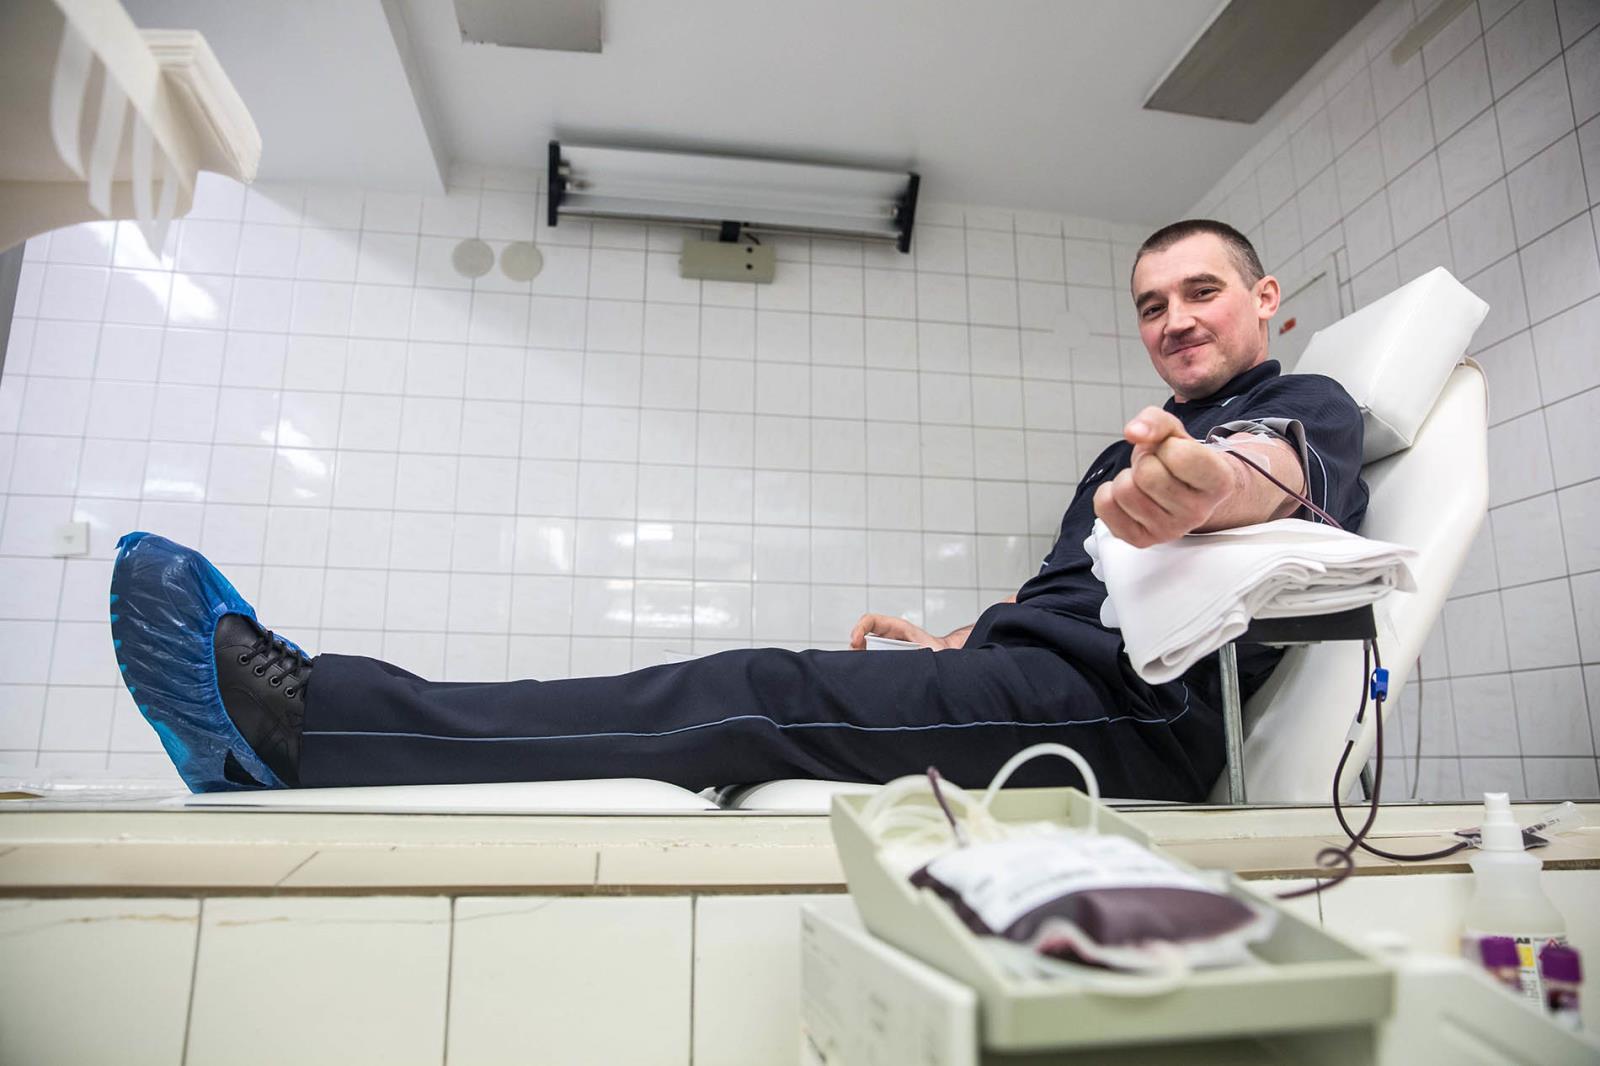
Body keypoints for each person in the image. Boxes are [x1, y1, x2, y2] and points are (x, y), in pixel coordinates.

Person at [110, 220, 1367, 798]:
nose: (1174, 320)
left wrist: (1201, 490)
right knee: (748, 688)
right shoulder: (1125, 444)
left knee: (745, 696)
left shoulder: (1297, 402)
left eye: (1200, 292)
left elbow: (1267, 474)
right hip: (1051, 681)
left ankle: (309, 730)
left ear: (1265, 298)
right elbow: (1080, 598)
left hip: (1135, 721)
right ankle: (318, 732)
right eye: (1151, 305)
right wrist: (962, 640)